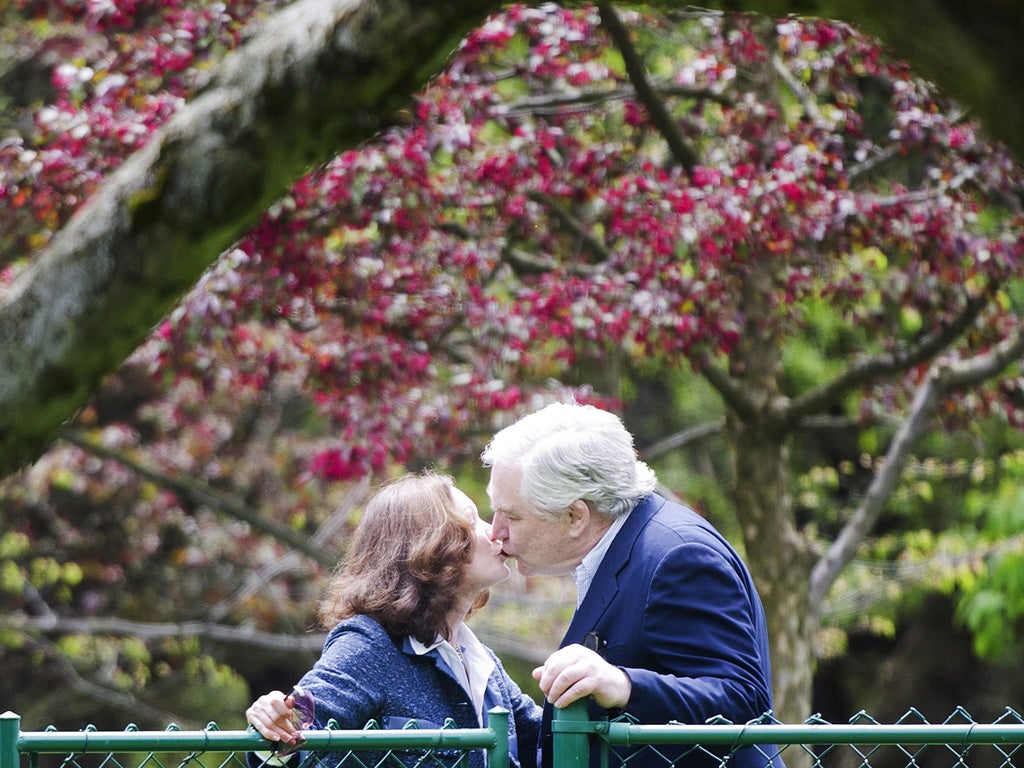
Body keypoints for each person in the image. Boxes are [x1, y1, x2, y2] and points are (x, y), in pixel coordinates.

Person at [481, 402, 780, 768]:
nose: (496, 532)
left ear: (576, 516)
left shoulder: (678, 557)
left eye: (511, 515)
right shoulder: (624, 542)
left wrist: (623, 685)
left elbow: (744, 701)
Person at [245, 471, 542, 768]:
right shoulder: (369, 646)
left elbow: (552, 743)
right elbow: (296, 739)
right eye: (472, 520)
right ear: (431, 544)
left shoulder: (483, 663)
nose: (495, 531)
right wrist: (273, 724)